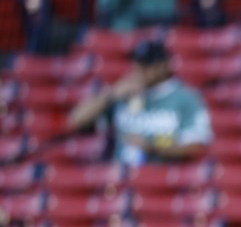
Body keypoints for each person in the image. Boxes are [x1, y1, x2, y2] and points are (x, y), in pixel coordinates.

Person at [67, 39, 212, 167]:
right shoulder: (123, 94)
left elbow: (196, 144)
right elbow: (76, 121)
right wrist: (110, 95)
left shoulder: (185, 97)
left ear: (163, 66)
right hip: (121, 180)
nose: (139, 70)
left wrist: (153, 145)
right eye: (137, 64)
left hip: (163, 182)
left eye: (146, 66)